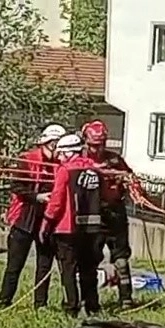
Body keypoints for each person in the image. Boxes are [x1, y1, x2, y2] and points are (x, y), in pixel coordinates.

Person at [0, 123, 65, 310]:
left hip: (48, 219)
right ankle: (4, 302)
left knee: (44, 264)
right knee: (15, 265)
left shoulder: (61, 165)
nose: (55, 150)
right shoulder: (27, 160)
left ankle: (40, 304)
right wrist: (37, 197)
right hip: (25, 217)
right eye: (53, 144)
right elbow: (16, 186)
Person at [40, 134, 104, 318]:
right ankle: (92, 305)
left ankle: (71, 306)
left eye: (61, 154)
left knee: (68, 269)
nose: (59, 158)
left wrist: (46, 222)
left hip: (68, 228)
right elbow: (105, 197)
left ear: (68, 153)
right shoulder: (96, 170)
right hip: (92, 228)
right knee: (88, 270)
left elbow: (57, 201)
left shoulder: (65, 170)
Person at [82, 120, 142, 308]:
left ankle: (126, 299)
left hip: (115, 213)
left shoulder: (115, 160)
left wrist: (132, 186)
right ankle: (90, 302)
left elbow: (131, 178)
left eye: (101, 144)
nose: (98, 149)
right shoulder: (80, 160)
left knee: (121, 259)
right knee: (90, 259)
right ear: (85, 142)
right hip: (92, 214)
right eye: (94, 145)